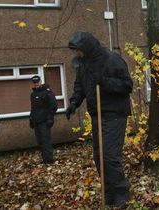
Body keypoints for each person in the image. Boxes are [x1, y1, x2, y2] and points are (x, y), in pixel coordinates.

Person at [66, 31, 133, 208]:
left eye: (78, 50)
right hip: (97, 114)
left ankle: (121, 192)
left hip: (114, 114)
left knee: (110, 156)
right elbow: (80, 85)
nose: (77, 54)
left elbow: (127, 85)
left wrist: (104, 82)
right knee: (99, 157)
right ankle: (109, 192)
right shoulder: (83, 64)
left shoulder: (112, 59)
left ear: (87, 47)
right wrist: (74, 102)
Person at [29, 75, 58, 164]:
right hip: (36, 122)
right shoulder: (33, 94)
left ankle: (49, 161)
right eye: (34, 83)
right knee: (40, 142)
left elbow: (53, 106)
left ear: (41, 81)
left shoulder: (47, 92)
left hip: (45, 122)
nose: (36, 84)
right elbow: (33, 108)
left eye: (37, 82)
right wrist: (31, 119)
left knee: (46, 141)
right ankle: (44, 159)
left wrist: (50, 118)